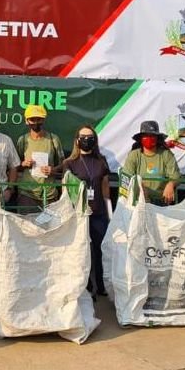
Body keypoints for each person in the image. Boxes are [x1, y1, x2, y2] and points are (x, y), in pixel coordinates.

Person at [58, 125, 111, 297]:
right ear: (77, 140)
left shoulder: (101, 160)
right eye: (83, 137)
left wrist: (109, 209)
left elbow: (105, 185)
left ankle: (101, 285)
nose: (86, 140)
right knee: (81, 251)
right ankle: (86, 286)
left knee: (100, 249)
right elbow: (66, 189)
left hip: (99, 213)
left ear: (94, 140)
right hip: (79, 215)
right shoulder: (69, 163)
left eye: (90, 137)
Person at [14, 104, 65, 213]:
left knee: (50, 227)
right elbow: (15, 166)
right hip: (27, 193)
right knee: (26, 226)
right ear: (27, 121)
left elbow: (63, 164)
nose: (36, 122)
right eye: (33, 119)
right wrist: (23, 164)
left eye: (39, 119)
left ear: (44, 119)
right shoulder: (22, 140)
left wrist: (53, 170)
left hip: (49, 194)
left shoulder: (53, 139)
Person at [122, 120, 180, 205]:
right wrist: (139, 188)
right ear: (141, 139)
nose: (149, 139)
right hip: (139, 201)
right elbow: (126, 178)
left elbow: (176, 175)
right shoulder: (134, 155)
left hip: (161, 201)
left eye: (152, 136)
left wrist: (171, 184)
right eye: (145, 136)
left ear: (157, 138)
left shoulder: (166, 154)